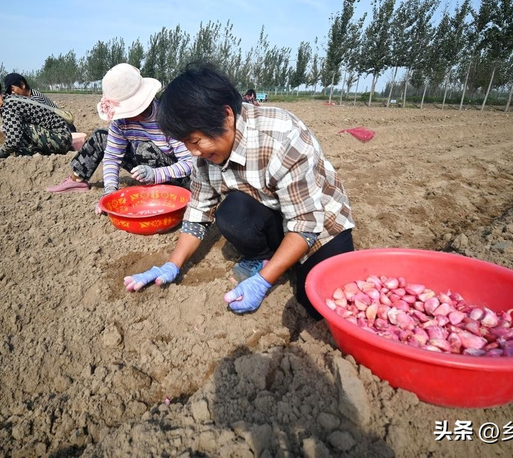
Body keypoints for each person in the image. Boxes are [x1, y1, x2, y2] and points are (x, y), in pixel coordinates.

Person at [124, 63, 356, 317]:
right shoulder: (202, 156)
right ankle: (268, 256)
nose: (193, 152)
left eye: (196, 141)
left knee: (316, 302)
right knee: (232, 212)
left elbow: (304, 222)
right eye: (186, 143)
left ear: (226, 116)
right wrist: (172, 264)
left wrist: (263, 282)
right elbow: (198, 211)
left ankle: (284, 263)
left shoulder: (282, 136)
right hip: (272, 212)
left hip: (320, 222)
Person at [45, 64, 193, 212]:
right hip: (144, 166)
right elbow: (112, 157)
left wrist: (155, 174)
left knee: (144, 148)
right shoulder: (121, 121)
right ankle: (77, 179)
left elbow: (189, 163)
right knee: (100, 136)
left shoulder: (167, 118)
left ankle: (156, 189)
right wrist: (110, 194)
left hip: (175, 175)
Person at [0, 75, 72, 158]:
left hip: (61, 139)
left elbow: (13, 141)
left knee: (18, 129)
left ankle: (31, 154)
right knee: (13, 127)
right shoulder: (11, 99)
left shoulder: (7, 107)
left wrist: (1, 152)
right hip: (63, 136)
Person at [4, 72, 76, 132]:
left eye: (13, 89)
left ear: (22, 85)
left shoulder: (35, 99)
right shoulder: (29, 97)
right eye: (10, 92)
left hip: (65, 129)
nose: (12, 93)